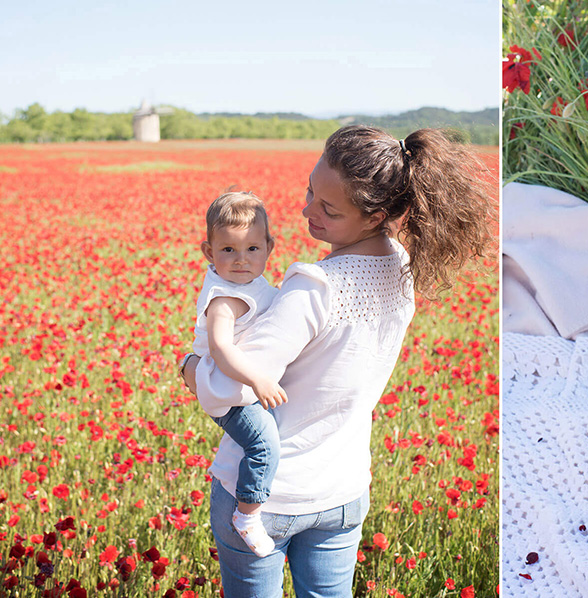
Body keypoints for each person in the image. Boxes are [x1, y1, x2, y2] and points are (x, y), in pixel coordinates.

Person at [181, 126, 494, 598]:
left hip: (268, 497)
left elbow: (228, 389)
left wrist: (189, 367)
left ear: (377, 216)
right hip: (343, 492)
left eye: (328, 208)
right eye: (311, 191)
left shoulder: (316, 287)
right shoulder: (404, 272)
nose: (307, 210)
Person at [184, 190, 284, 557]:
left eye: (252, 249)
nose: (241, 260)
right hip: (229, 392)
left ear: (268, 248)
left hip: (236, 385)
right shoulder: (223, 298)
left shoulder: (247, 284)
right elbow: (221, 349)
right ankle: (247, 514)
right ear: (209, 253)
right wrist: (258, 379)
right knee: (263, 445)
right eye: (228, 250)